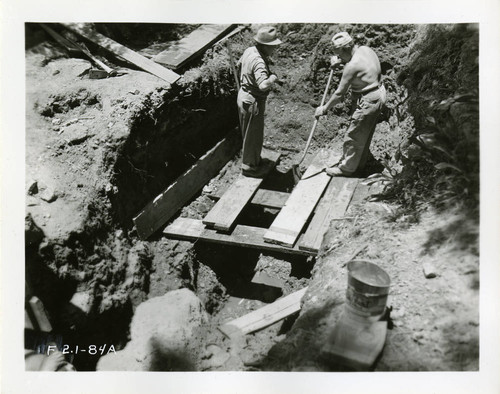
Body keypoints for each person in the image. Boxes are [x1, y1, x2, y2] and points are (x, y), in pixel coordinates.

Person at [315, 32, 386, 177]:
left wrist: (324, 108)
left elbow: (339, 94)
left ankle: (346, 169)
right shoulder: (365, 50)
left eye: (339, 55)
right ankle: (358, 165)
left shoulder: (351, 66)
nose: (338, 58)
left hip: (369, 100)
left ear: (345, 49)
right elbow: (360, 67)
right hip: (379, 93)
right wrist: (341, 62)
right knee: (364, 134)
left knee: (353, 135)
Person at [237, 26, 282, 178]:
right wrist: (273, 78)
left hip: (244, 95)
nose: (275, 49)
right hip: (252, 101)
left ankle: (253, 160)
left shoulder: (249, 50)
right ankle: (249, 167)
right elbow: (263, 85)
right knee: (253, 135)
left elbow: (239, 65)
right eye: (273, 46)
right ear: (265, 45)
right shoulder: (259, 63)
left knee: (250, 134)